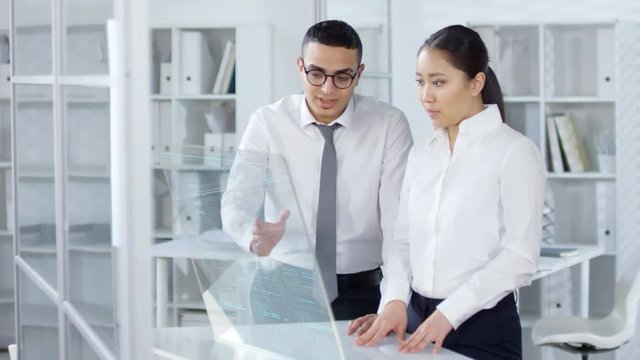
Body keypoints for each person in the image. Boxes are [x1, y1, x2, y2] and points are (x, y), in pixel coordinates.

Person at [347, 24, 546, 359]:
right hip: (414, 319)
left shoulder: (514, 152)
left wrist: (449, 314)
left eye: (438, 82)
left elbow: (520, 256)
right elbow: (403, 241)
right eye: (420, 81)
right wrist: (394, 300)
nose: (426, 95)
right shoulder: (422, 153)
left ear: (476, 83)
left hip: (481, 327)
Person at [221, 19, 413, 322]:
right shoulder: (267, 122)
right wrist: (253, 237)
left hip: (361, 294)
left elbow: (398, 224)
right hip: (281, 286)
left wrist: (394, 300)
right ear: (300, 67)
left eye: (342, 77)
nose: (327, 89)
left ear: (359, 74)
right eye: (316, 73)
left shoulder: (388, 125)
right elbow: (237, 199)